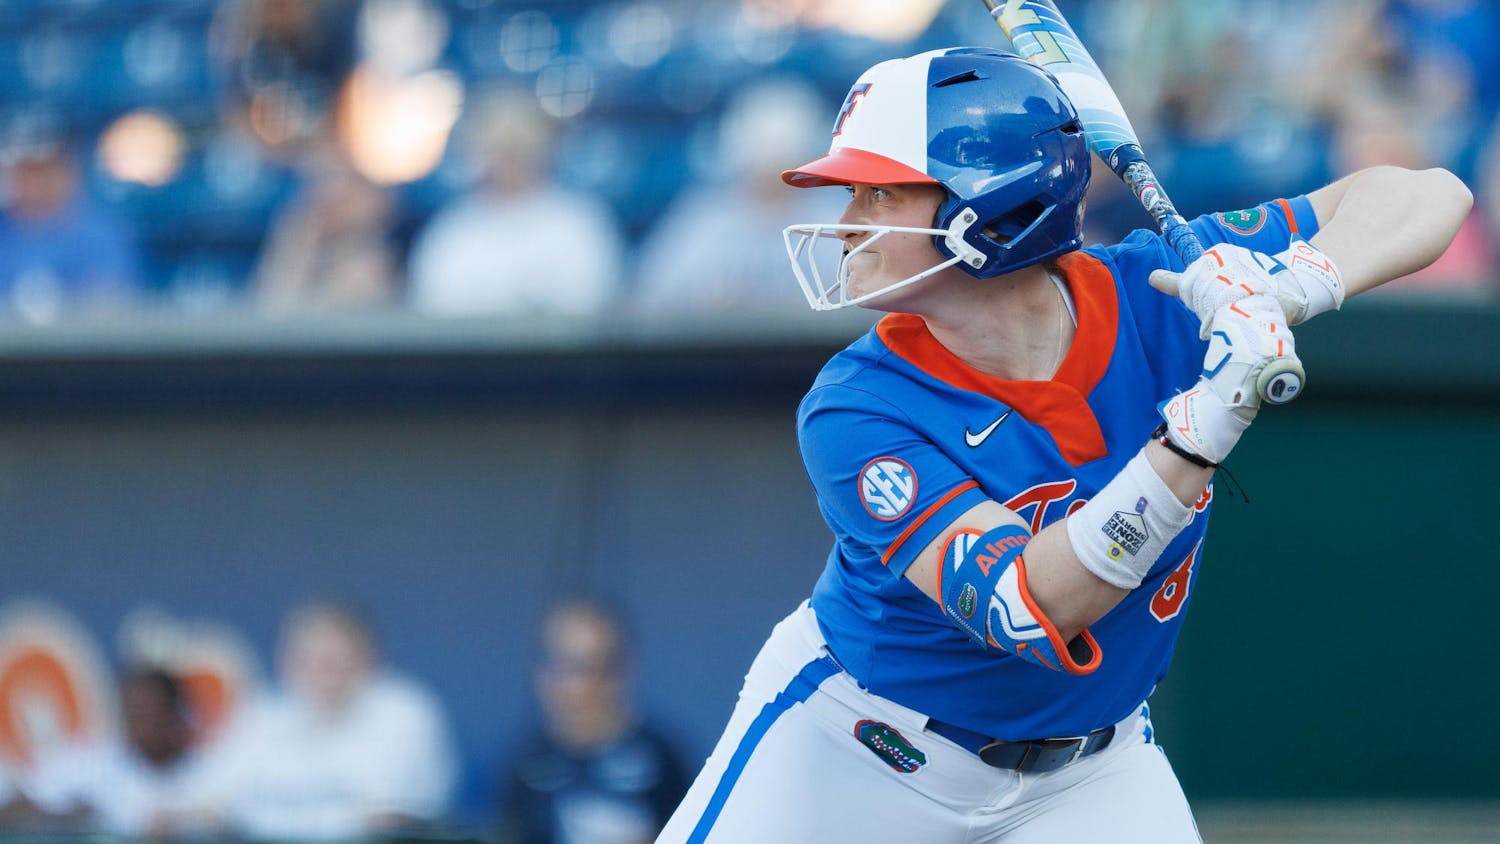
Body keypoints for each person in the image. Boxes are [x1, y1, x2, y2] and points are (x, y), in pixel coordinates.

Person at [655, 47, 1470, 842]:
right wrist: (1196, 434)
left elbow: (1425, 192)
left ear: (990, 209)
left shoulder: (1159, 290)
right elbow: (1026, 607)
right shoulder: (857, 403)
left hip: (1091, 773)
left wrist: (1291, 285)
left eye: (875, 193)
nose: (843, 226)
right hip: (859, 750)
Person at [188, 603, 457, 841]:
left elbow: (386, 821)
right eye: (308, 660)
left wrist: (264, 816)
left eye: (336, 661)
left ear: (370, 660)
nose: (323, 674)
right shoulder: (263, 716)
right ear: (285, 663)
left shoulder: (405, 711)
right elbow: (208, 808)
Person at [632, 79, 847, 315]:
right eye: (763, 146)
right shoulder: (703, 223)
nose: (772, 163)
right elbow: (650, 302)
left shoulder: (835, 223)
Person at [407, 92, 625, 317]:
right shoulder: (453, 228)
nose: (505, 162)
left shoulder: (579, 222)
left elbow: (591, 303)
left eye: (516, 148)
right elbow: (433, 306)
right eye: (496, 150)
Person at [499, 599, 689, 844]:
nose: (572, 686)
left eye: (588, 668)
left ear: (623, 672)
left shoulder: (663, 761)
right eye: (559, 666)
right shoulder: (524, 764)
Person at [2, 668, 206, 838]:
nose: (138, 722)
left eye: (148, 712)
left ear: (173, 714)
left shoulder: (201, 777)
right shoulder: (95, 763)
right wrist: (73, 819)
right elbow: (22, 804)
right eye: (132, 711)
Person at [0, 125, 142, 322]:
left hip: (77, 351)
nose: (36, 182)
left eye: (45, 170)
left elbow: (107, 313)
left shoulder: (99, 237)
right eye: (28, 170)